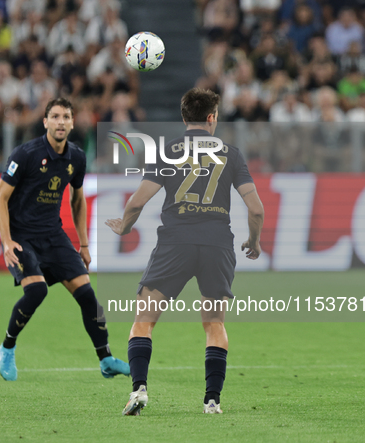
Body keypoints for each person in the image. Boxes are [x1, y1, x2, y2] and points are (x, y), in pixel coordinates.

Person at [105, 88, 264, 415]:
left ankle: (138, 390)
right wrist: (254, 240)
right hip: (217, 243)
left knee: (144, 320)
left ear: (183, 117)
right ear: (211, 118)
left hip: (175, 242)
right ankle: (212, 400)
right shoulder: (231, 154)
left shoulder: (167, 152)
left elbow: (137, 202)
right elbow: (256, 208)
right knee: (214, 323)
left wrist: (125, 227)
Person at [0, 97, 130, 381]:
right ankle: (7, 347)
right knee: (37, 291)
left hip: (53, 237)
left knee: (88, 297)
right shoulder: (25, 154)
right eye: (54, 116)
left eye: (66, 117)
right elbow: (0, 197)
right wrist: (7, 241)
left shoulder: (76, 158)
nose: (60, 122)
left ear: (71, 122)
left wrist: (83, 244)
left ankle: (105, 359)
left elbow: (77, 199)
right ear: (45, 122)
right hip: (22, 237)